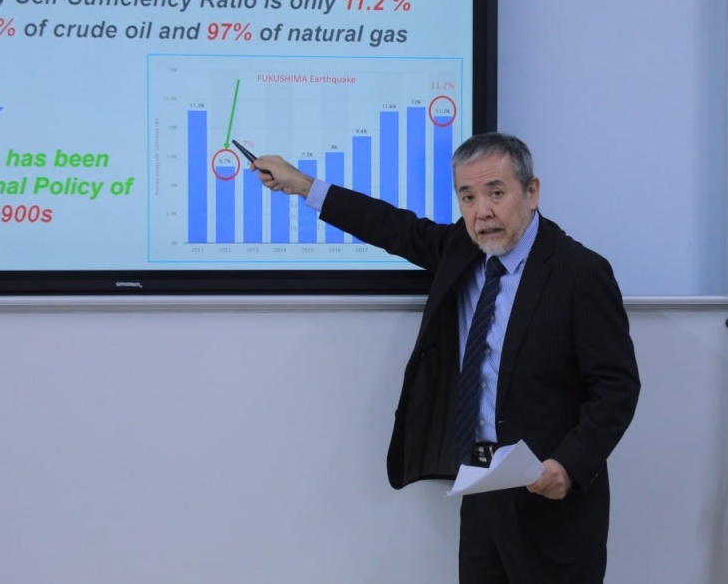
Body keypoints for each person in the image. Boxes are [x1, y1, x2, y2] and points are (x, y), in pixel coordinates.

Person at [252, 132, 640, 583]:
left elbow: (617, 387)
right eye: (468, 197)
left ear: (531, 192)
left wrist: (568, 466)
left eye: (496, 193)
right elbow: (391, 226)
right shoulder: (463, 248)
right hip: (481, 490)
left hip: (551, 501)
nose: (482, 212)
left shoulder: (580, 272)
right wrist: (303, 185)